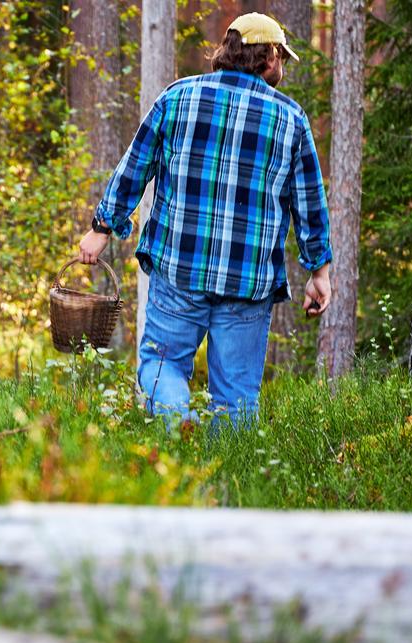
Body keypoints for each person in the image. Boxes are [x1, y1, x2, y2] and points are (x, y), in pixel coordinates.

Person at [78, 12, 333, 429]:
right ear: (266, 56)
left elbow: (134, 167)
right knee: (236, 397)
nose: (282, 67)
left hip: (179, 270)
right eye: (280, 57)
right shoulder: (291, 119)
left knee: (161, 368)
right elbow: (309, 203)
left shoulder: (178, 98)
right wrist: (318, 272)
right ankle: (225, 485)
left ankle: (177, 431)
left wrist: (101, 229)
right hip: (247, 283)